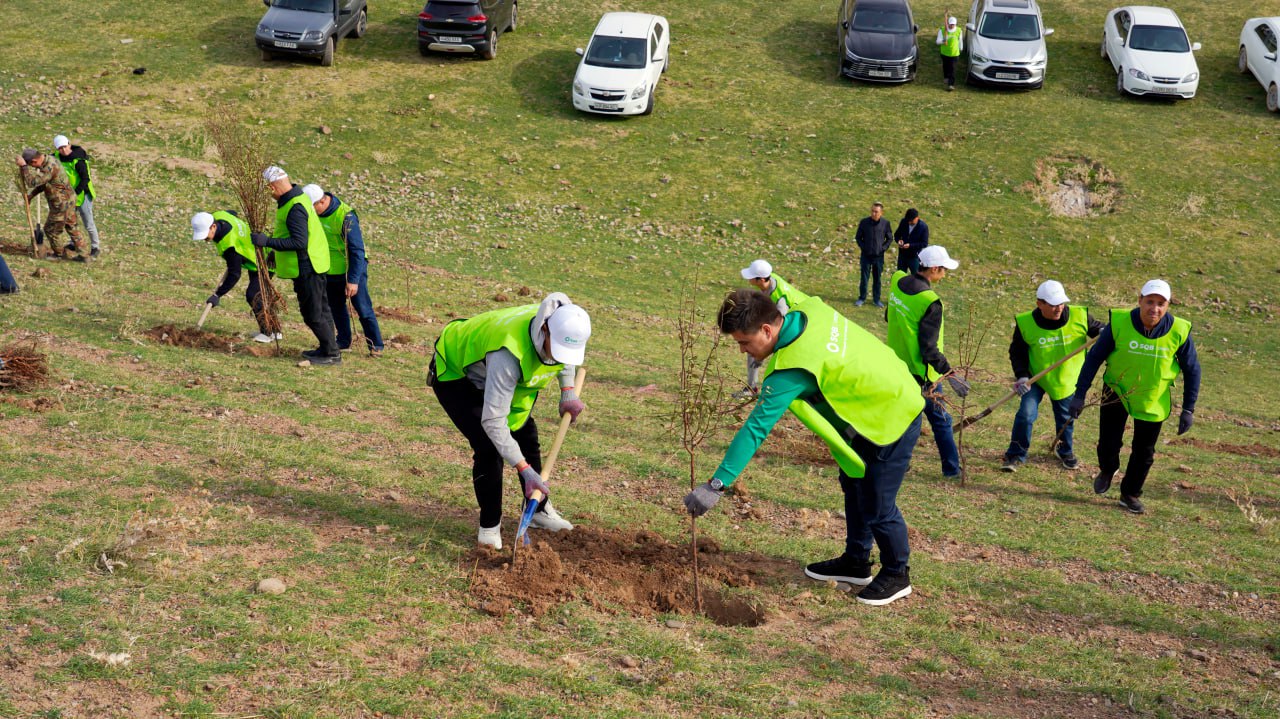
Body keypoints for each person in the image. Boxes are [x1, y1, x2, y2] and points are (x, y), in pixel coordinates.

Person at [684, 288, 925, 606]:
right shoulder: (810, 309)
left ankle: (897, 574)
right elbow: (780, 288)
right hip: (878, 401)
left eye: (744, 342)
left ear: (767, 330)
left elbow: (755, 429)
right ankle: (856, 562)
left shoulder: (789, 371)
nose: (743, 350)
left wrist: (716, 485)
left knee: (878, 503)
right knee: (854, 485)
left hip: (892, 416)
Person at [430, 294, 591, 549]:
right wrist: (525, 471)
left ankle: (538, 510)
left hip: (496, 375)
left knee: (526, 434)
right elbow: (493, 421)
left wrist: (567, 392)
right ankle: (489, 527)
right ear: (544, 330)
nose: (560, 357)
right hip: (457, 373)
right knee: (488, 447)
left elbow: (565, 359)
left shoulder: (562, 324)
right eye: (556, 348)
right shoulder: (508, 352)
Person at [1069, 280, 1201, 514]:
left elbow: (1192, 370)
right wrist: (1079, 394)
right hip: (1116, 391)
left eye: (1161, 303)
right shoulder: (1119, 323)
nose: (1155, 308)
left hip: (1153, 397)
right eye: (1150, 302)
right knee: (1108, 442)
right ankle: (1108, 469)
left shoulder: (1179, 331)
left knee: (1144, 452)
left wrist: (1188, 409)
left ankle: (1129, 493)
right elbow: (1094, 359)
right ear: (1140, 300)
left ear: (1168, 305)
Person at [1001, 281, 1103, 472]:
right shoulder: (1026, 323)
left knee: (1065, 418)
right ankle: (1016, 454)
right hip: (1035, 378)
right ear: (1040, 303)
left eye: (1061, 303)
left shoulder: (1079, 316)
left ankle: (1065, 451)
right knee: (1025, 414)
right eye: (1053, 304)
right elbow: (1017, 352)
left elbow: (1099, 329)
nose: (1058, 308)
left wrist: (1104, 332)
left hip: (1066, 379)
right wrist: (1022, 376)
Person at [885, 245, 968, 478]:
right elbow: (929, 348)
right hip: (922, 374)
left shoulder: (897, 280)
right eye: (943, 269)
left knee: (901, 418)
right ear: (933, 269)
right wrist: (950, 374)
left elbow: (888, 315)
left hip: (896, 364)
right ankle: (952, 470)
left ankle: (896, 462)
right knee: (940, 420)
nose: (945, 273)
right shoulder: (930, 301)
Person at [250, 166, 339, 365]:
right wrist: (274, 252)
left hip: (308, 267)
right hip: (314, 264)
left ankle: (331, 354)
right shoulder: (296, 200)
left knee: (313, 314)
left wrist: (267, 242)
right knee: (322, 310)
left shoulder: (294, 206)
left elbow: (299, 242)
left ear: (272, 187)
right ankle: (328, 348)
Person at [301, 184, 384, 357]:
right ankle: (343, 340)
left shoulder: (346, 217)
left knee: (362, 308)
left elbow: (357, 251)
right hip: (330, 269)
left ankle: (376, 345)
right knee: (336, 307)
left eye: (312, 207)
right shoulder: (313, 213)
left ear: (322, 201)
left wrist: (353, 280)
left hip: (351, 268)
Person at [191, 210, 279, 343]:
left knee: (253, 295)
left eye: (205, 235)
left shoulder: (230, 246)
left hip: (266, 259)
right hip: (255, 253)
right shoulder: (220, 215)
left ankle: (268, 332)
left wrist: (217, 295)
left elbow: (234, 274)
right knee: (259, 294)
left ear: (213, 226)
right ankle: (275, 331)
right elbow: (233, 213)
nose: (204, 239)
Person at [737, 259, 810, 395]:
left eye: (752, 277)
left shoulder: (780, 300)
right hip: (791, 323)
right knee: (754, 344)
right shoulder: (770, 280)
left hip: (803, 326)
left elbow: (779, 329)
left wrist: (761, 356)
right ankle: (751, 387)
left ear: (761, 279)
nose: (749, 279)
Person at [15, 148, 87, 261]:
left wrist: (24, 167)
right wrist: (32, 196)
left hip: (61, 204)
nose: (33, 168)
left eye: (31, 165)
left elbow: (32, 182)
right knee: (72, 226)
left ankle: (59, 255)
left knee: (50, 230)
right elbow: (45, 183)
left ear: (34, 161)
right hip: (69, 199)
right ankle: (84, 255)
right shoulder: (50, 159)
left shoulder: (49, 167)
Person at [53, 135, 101, 258]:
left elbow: (85, 179)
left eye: (65, 147)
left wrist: (74, 193)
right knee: (71, 221)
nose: (63, 150)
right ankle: (73, 243)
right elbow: (45, 160)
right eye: (60, 148)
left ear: (69, 144)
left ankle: (95, 247)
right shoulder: (56, 157)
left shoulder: (79, 160)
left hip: (82, 194)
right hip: (68, 195)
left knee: (88, 223)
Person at [854, 202, 894, 308]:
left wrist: (883, 248)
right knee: (864, 278)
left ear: (881, 213)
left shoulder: (885, 223)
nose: (874, 213)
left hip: (878, 257)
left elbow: (889, 238)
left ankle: (876, 300)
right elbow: (858, 237)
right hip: (866, 256)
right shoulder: (864, 222)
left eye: (876, 212)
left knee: (877, 279)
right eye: (872, 211)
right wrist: (864, 247)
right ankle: (862, 298)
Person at [893, 208, 929, 274]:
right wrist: (898, 241)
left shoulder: (923, 227)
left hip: (914, 257)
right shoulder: (904, 222)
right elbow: (896, 235)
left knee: (916, 277)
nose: (909, 222)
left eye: (911, 221)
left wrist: (910, 245)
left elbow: (924, 243)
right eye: (908, 220)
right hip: (902, 255)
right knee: (900, 276)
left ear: (917, 218)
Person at [937, 14, 963, 91]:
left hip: (954, 54)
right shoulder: (942, 30)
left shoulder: (959, 30)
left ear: (955, 24)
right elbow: (937, 42)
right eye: (950, 24)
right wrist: (943, 41)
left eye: (953, 24)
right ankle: (946, 77)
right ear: (948, 23)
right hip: (945, 53)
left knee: (952, 69)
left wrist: (961, 49)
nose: (952, 26)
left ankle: (951, 84)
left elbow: (960, 41)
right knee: (946, 66)